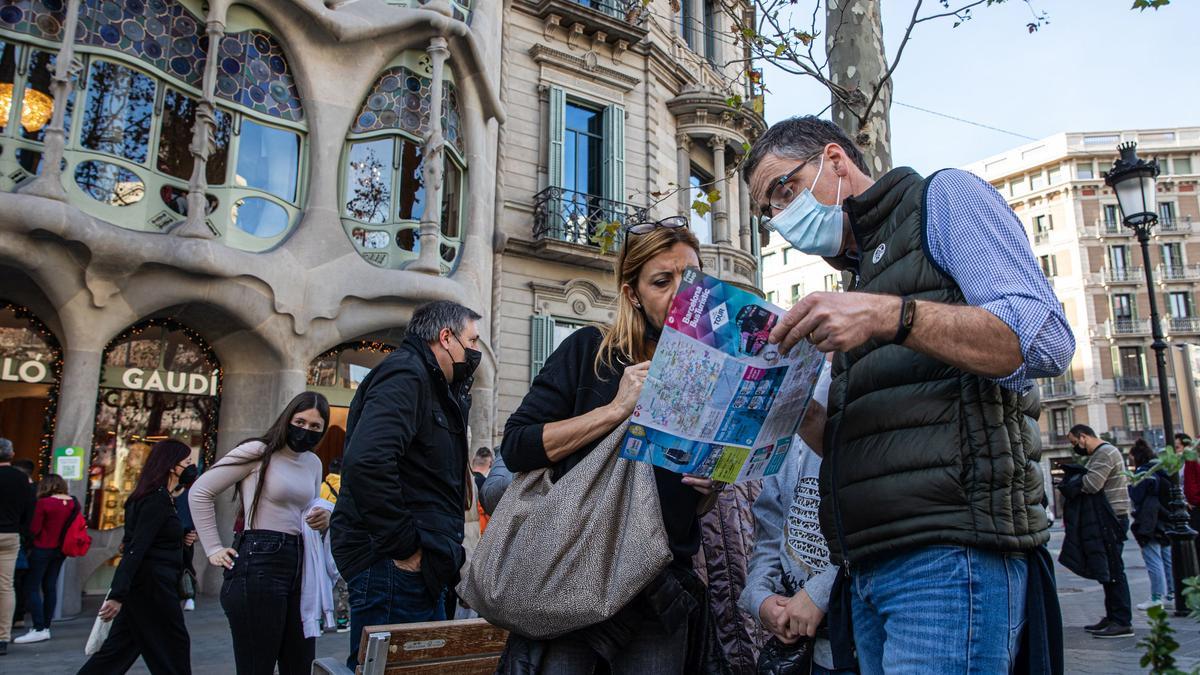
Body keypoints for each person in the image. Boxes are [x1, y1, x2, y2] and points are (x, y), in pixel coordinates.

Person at [745, 116, 1072, 672]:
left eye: (783, 190)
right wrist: (794, 408)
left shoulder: (944, 199)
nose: (779, 220)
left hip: (948, 557)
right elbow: (867, 448)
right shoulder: (858, 284)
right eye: (766, 215)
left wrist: (892, 315)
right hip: (869, 568)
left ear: (835, 159)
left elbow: (1042, 340)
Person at [498, 218, 719, 673]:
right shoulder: (590, 351)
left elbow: (683, 501)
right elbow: (517, 445)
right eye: (663, 281)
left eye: (691, 279)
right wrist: (616, 409)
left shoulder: (709, 371)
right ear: (632, 293)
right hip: (575, 577)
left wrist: (711, 485)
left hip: (659, 589)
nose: (681, 292)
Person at [331, 300, 481, 669]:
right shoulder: (407, 374)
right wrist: (406, 549)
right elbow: (368, 461)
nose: (476, 351)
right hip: (393, 566)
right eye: (472, 340)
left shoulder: (430, 383)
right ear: (446, 338)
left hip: (418, 564)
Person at [190, 391, 332, 675]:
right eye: (300, 421)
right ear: (287, 419)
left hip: (300, 561)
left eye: (316, 427)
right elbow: (200, 491)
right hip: (259, 558)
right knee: (258, 665)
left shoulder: (313, 463)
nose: (306, 431)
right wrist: (213, 548)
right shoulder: (258, 451)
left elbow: (307, 509)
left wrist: (324, 518)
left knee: (300, 664)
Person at [741, 364, 851, 675]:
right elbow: (771, 527)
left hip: (852, 632)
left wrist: (819, 593)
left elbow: (873, 518)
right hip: (806, 643)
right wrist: (761, 598)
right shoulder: (789, 445)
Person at [77, 440, 194, 675]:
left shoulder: (159, 498)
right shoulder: (156, 500)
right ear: (172, 466)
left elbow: (149, 540)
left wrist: (180, 537)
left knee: (119, 651)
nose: (191, 467)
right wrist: (117, 594)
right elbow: (137, 547)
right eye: (187, 462)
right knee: (173, 647)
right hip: (152, 587)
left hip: (148, 586)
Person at [1067, 425, 1133, 638]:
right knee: (1109, 569)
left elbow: (1092, 484)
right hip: (1109, 517)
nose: (1075, 447)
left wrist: (1074, 482)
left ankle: (1122, 621)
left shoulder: (1105, 453)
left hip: (1112, 518)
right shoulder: (1102, 453)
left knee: (1114, 569)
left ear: (1083, 436)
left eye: (1074, 442)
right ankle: (1113, 616)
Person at [12, 474, 74, 645]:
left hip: (42, 547)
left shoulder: (44, 503)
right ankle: (45, 626)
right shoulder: (72, 503)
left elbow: (35, 528)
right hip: (60, 550)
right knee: (50, 586)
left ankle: (38, 627)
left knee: (31, 587)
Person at [1129, 439, 1174, 611]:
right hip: (1164, 518)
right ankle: (1171, 593)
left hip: (1149, 521)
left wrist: (1131, 488)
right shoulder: (1161, 471)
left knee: (1153, 559)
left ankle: (1157, 597)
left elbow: (1137, 496)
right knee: (1166, 558)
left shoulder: (1144, 473)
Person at [0, 438, 34, 656]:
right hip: (11, 533)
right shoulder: (22, 479)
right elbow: (29, 510)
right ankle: (2, 636)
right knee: (5, 586)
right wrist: (22, 532)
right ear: (11, 455)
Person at [318, 458, 349, 632]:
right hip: (342, 538)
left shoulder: (321, 487)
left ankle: (321, 621)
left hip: (322, 539)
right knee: (342, 581)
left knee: (323, 579)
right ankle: (343, 620)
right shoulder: (345, 487)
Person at [9, 458, 34, 632]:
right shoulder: (29, 488)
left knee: (9, 583)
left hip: (16, 537)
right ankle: (15, 617)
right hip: (17, 538)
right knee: (11, 583)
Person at [172, 464, 200, 612]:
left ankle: (188, 595)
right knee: (185, 566)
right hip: (181, 533)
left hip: (185, 534)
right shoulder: (183, 493)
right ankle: (188, 596)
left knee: (185, 566)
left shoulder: (181, 493)